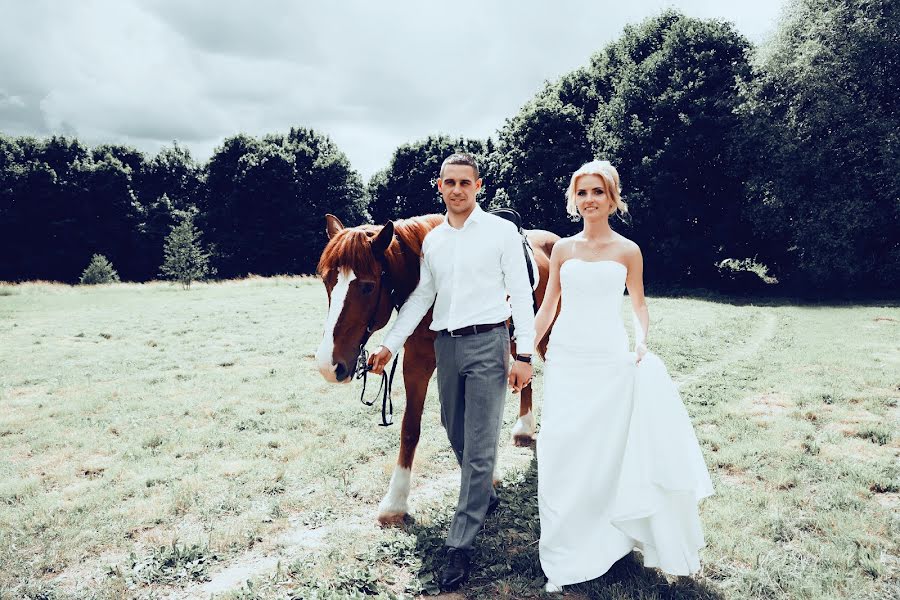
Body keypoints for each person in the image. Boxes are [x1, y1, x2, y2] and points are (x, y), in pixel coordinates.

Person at [533, 160, 714, 592]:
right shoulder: (563, 249)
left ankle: (609, 539)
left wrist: (641, 340)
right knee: (560, 449)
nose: (589, 199)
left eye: (597, 192)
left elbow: (639, 305)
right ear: (574, 200)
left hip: (609, 359)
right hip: (567, 359)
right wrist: (523, 350)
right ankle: (564, 549)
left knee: (606, 454)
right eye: (582, 192)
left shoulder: (628, 250)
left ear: (612, 198)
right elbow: (549, 306)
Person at [368, 152, 535, 591]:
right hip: (446, 344)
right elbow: (423, 296)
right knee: (452, 426)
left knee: (480, 448)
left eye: (465, 182)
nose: (457, 189)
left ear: (478, 186)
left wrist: (524, 354)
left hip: (488, 343)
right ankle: (485, 494)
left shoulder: (501, 232)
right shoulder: (436, 242)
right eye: (449, 182)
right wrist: (390, 343)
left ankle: (459, 546)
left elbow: (521, 293)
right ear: (438, 186)